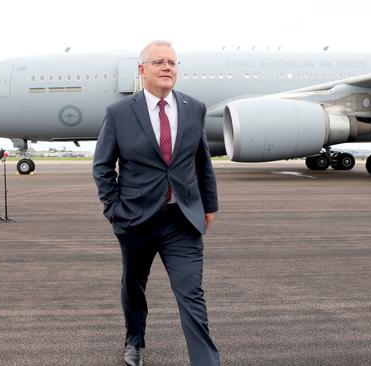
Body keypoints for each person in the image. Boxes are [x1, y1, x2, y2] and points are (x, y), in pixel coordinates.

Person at [92, 40, 220, 366]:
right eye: (159, 62)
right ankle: (134, 340)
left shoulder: (194, 108)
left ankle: (206, 361)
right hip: (136, 220)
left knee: (191, 295)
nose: (167, 67)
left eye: (173, 63)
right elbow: (103, 167)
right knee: (134, 287)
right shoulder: (119, 113)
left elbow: (202, 161)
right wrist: (114, 210)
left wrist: (209, 205)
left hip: (182, 219)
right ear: (142, 70)